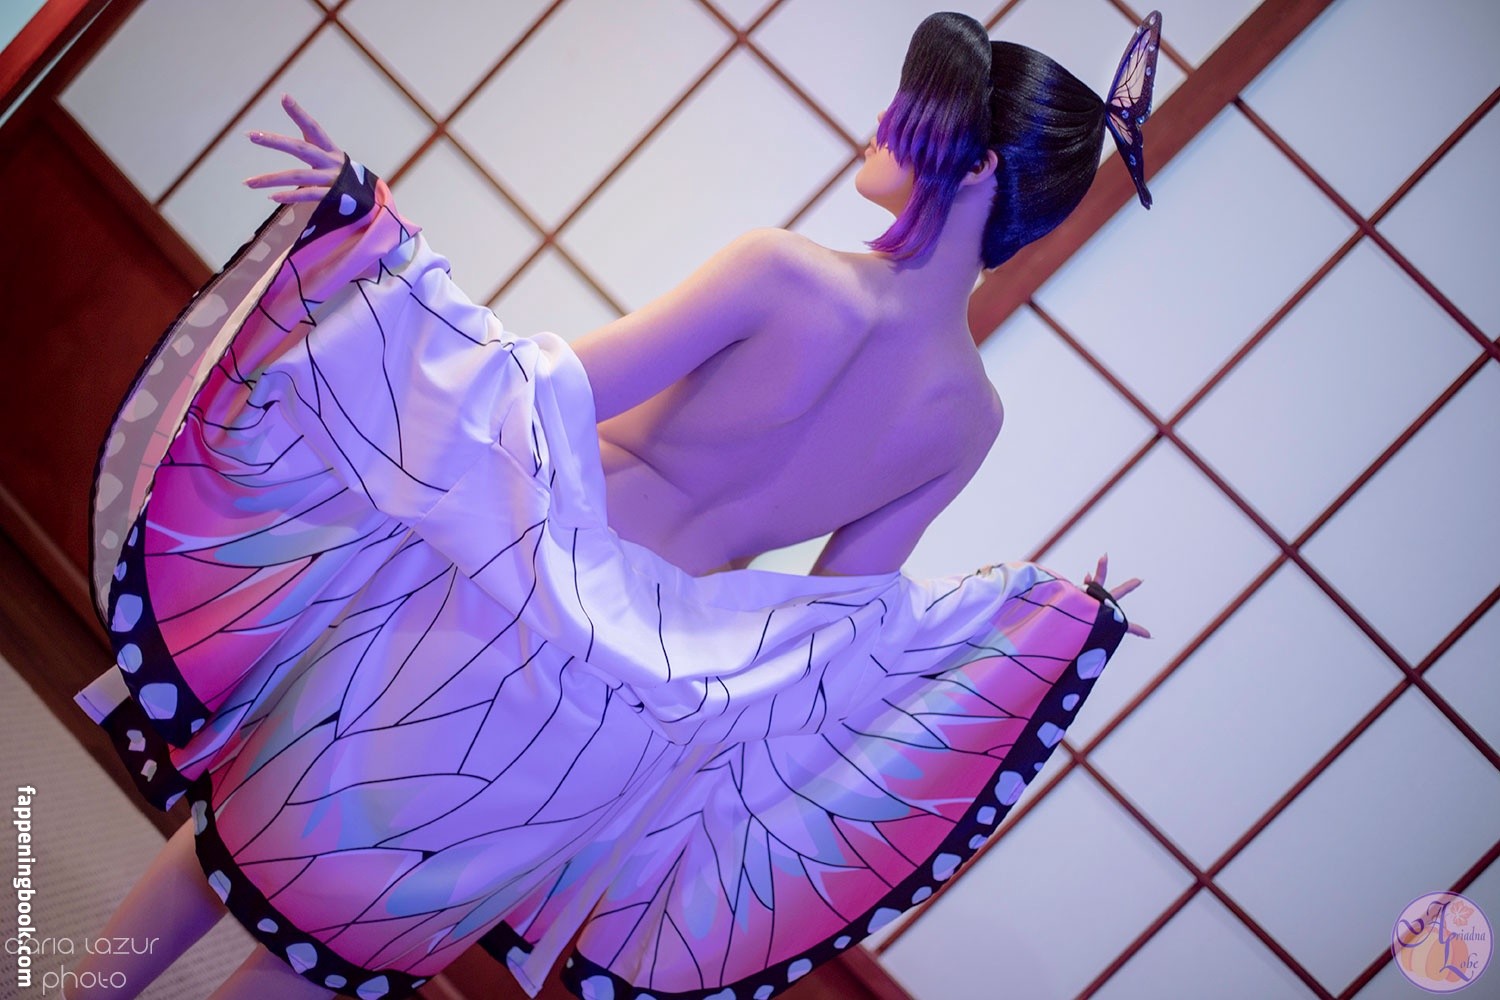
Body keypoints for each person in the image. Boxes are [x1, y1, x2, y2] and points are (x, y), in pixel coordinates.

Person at [70, 11, 1157, 1000]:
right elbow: (837, 621)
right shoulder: (968, 417)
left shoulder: (784, 272)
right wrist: (1055, 627)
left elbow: (549, 386)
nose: (884, 119)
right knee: (337, 937)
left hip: (507, 604)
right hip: (628, 711)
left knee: (244, 838)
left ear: (975, 167)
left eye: (918, 109)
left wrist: (373, 240)